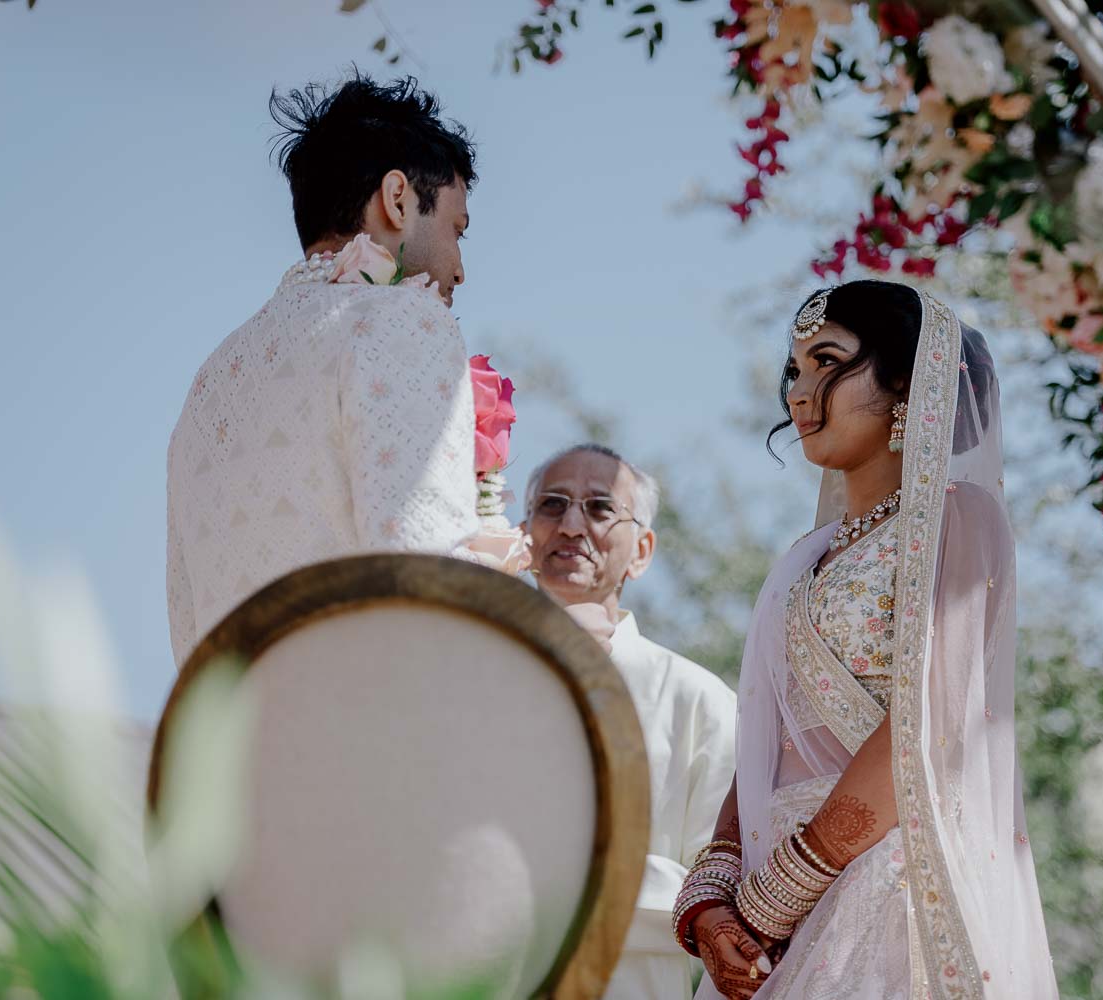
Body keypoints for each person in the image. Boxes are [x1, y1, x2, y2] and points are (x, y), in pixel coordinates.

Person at [673, 281, 1057, 998]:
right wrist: (715, 893)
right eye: (795, 369)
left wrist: (772, 902)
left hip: (886, 886)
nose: (799, 393)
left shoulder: (958, 519)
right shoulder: (802, 557)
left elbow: (927, 726)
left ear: (908, 384)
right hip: (770, 919)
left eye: (828, 361)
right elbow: (767, 743)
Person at [166, 73, 481, 666]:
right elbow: (427, 574)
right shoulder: (400, 319)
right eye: (456, 230)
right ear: (397, 199)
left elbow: (184, 619)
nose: (460, 270)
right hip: (368, 731)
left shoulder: (211, 380)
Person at [524, 444, 737, 1000]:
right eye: (552, 505)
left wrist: (559, 871)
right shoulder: (468, 676)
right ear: (524, 536)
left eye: (598, 508)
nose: (571, 525)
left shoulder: (698, 700)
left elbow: (718, 897)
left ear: (642, 551)